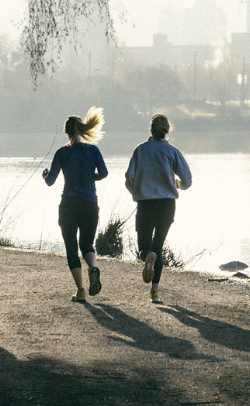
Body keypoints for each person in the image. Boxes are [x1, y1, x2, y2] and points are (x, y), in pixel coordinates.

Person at [42, 108, 110, 302]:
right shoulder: (93, 150)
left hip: (69, 204)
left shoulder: (62, 153)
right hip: (90, 203)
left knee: (71, 247)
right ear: (82, 129)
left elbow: (50, 181)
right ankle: (92, 267)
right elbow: (104, 173)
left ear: (67, 132)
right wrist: (91, 178)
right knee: (87, 243)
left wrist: (45, 174)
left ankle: (81, 290)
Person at [125, 113, 192, 305]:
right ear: (167, 130)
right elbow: (187, 180)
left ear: (151, 129)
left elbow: (129, 177)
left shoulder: (140, 150)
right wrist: (178, 185)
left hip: (145, 203)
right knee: (158, 247)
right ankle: (155, 292)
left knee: (143, 248)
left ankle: (147, 257)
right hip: (167, 205)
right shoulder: (172, 152)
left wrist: (136, 191)